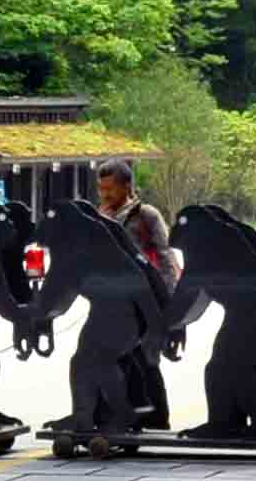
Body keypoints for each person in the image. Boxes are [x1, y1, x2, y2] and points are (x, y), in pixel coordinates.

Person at [95, 162, 178, 430]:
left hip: (146, 303)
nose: (105, 194)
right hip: (113, 303)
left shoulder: (146, 215)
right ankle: (122, 416)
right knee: (114, 359)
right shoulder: (100, 215)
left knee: (147, 359)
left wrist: (170, 303)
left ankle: (157, 420)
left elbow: (166, 257)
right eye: (101, 188)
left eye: (110, 188)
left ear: (126, 186)